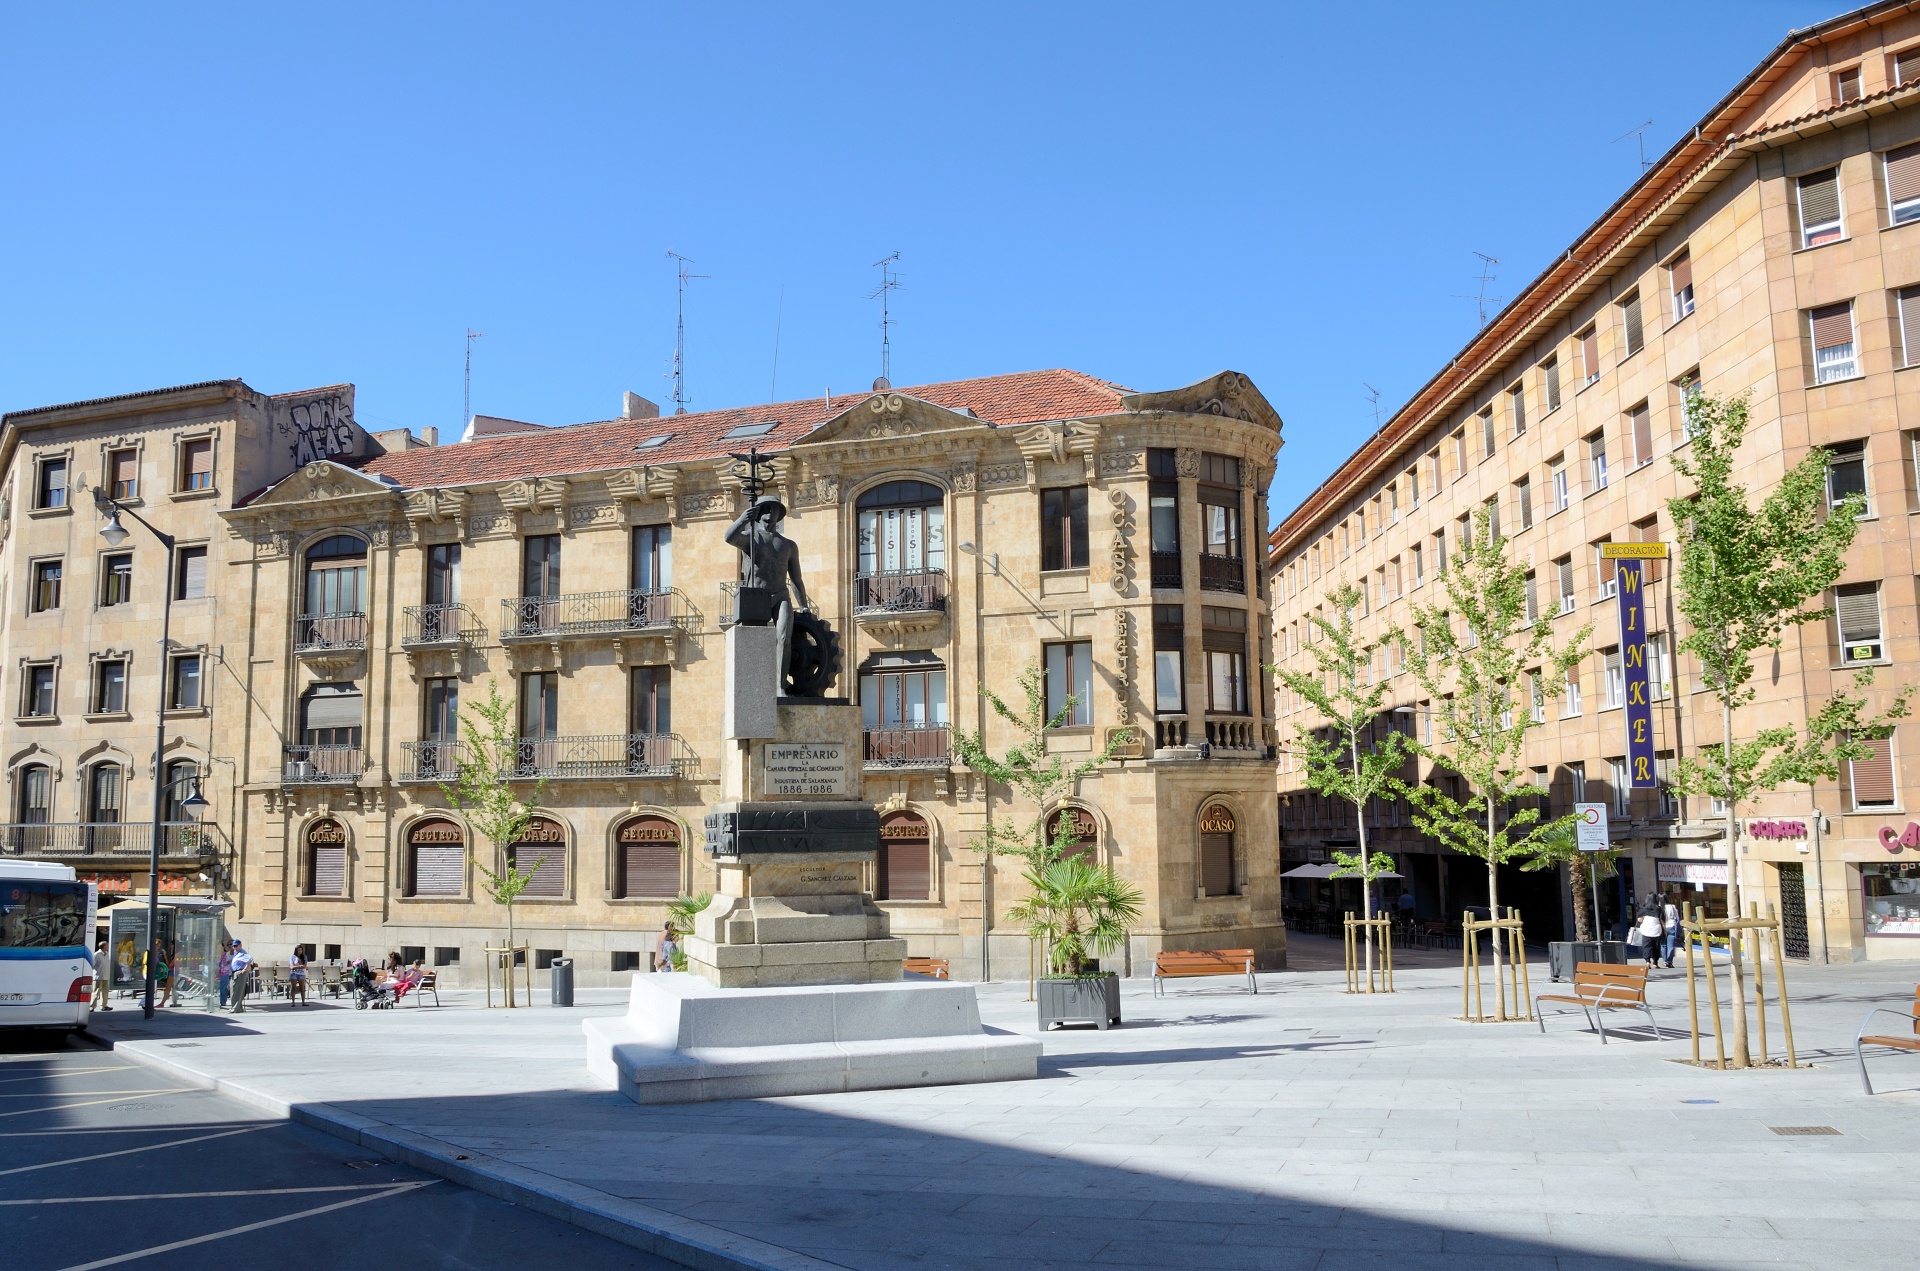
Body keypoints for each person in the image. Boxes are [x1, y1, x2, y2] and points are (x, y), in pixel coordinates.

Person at [228, 940, 255, 1013]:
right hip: (234, 972)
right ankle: (237, 1007)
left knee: (238, 991)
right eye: (234, 946)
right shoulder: (236, 953)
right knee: (233, 990)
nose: (235, 947)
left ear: (240, 945)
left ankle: (235, 1008)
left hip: (239, 972)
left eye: (236, 946)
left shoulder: (242, 952)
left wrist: (244, 969)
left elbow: (250, 959)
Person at [1661, 895, 1683, 969]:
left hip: (1663, 927)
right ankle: (1669, 961)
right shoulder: (1672, 906)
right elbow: (1677, 917)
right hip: (1672, 926)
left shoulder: (1659, 907)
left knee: (1663, 945)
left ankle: (1664, 961)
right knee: (1671, 946)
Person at [91, 937, 113, 1012]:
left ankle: (104, 1005)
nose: (108, 947)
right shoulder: (96, 954)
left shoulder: (107, 954)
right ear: (104, 946)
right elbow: (92, 964)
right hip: (98, 976)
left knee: (105, 991)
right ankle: (92, 1006)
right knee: (96, 991)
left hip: (106, 975)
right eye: (107, 945)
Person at [217, 942, 234, 1007]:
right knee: (222, 987)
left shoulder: (226, 954)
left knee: (224, 987)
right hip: (221, 972)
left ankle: (223, 1001)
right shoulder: (222, 955)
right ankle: (222, 1001)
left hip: (226, 972)